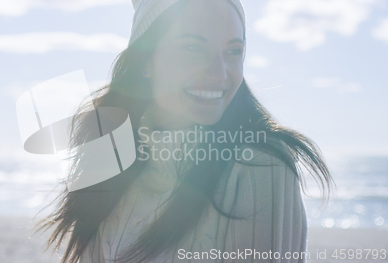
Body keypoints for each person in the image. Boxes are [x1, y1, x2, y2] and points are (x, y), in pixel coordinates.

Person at [37, 0, 333, 262]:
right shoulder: (109, 153)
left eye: (233, 51)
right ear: (145, 62)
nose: (219, 73)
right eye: (193, 47)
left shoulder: (260, 166)